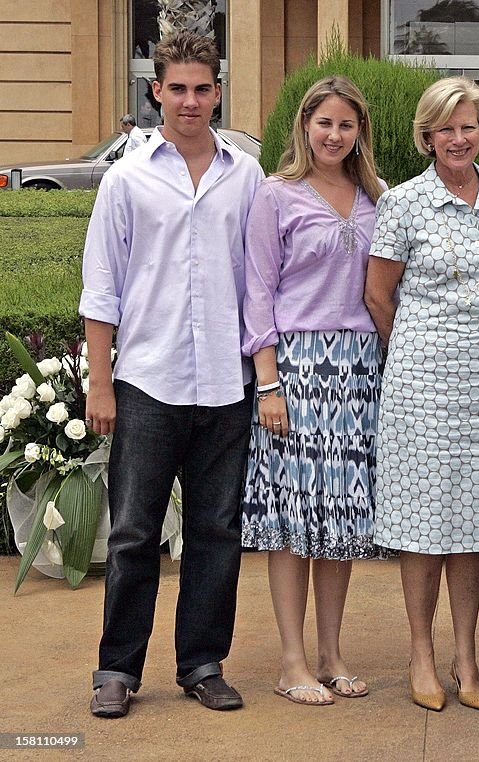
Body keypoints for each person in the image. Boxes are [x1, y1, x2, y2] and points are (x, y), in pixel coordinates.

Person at [81, 31, 264, 718]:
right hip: (149, 382)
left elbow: (257, 283)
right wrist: (100, 382)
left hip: (225, 381)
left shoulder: (243, 176)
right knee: (133, 531)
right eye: (177, 88)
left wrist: (261, 373)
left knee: (217, 531)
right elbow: (102, 287)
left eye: (202, 88)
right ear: (156, 90)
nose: (190, 100)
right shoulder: (127, 178)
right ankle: (117, 669)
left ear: (217, 91)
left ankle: (202, 663)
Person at [364, 76, 479, 713]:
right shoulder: (403, 203)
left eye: (469, 127)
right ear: (427, 136)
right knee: (424, 521)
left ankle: (467, 656)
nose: (458, 139)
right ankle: (420, 654)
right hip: (420, 377)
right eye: (446, 129)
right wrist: (417, 346)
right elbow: (380, 295)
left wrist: (477, 335)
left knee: (477, 525)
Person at [240, 76, 387, 706]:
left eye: (346, 125)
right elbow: (257, 294)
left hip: (358, 370)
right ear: (305, 127)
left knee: (342, 518)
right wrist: (267, 383)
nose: (334, 135)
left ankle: (330, 653)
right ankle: (292, 661)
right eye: (324, 123)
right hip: (295, 371)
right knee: (293, 522)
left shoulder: (377, 198)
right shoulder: (276, 195)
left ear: (360, 134)